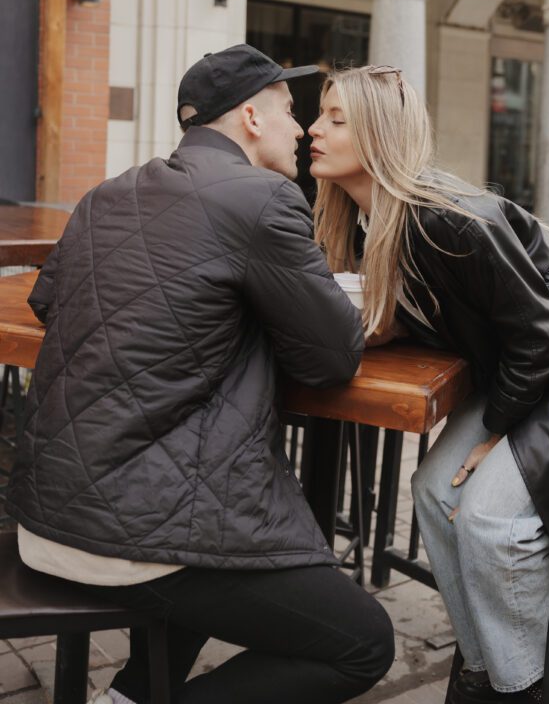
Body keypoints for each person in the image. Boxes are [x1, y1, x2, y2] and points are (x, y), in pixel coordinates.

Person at [7, 45, 394, 704]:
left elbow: (48, 300)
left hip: (46, 514)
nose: (300, 129)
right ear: (249, 117)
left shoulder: (108, 192)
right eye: (287, 111)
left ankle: (128, 694)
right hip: (128, 535)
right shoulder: (264, 198)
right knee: (363, 644)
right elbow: (331, 360)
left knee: (207, 509)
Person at [308, 64, 549, 704]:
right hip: (524, 366)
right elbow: (456, 313)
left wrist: (497, 434)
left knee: (488, 518)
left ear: (377, 137)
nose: (315, 129)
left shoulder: (447, 217)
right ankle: (486, 671)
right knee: (431, 493)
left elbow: (539, 332)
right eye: (321, 115)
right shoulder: (369, 218)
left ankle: (533, 686)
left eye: (337, 120)